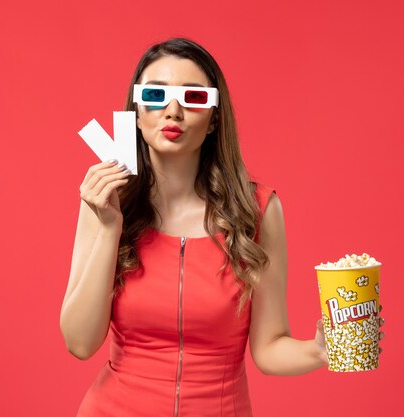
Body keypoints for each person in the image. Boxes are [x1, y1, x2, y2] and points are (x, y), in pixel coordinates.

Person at [60, 37, 385, 417]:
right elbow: (80, 342)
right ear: (135, 110)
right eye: (154, 95)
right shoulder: (105, 203)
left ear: (214, 118)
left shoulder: (257, 211)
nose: (173, 110)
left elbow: (268, 349)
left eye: (194, 98)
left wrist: (319, 350)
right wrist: (109, 227)